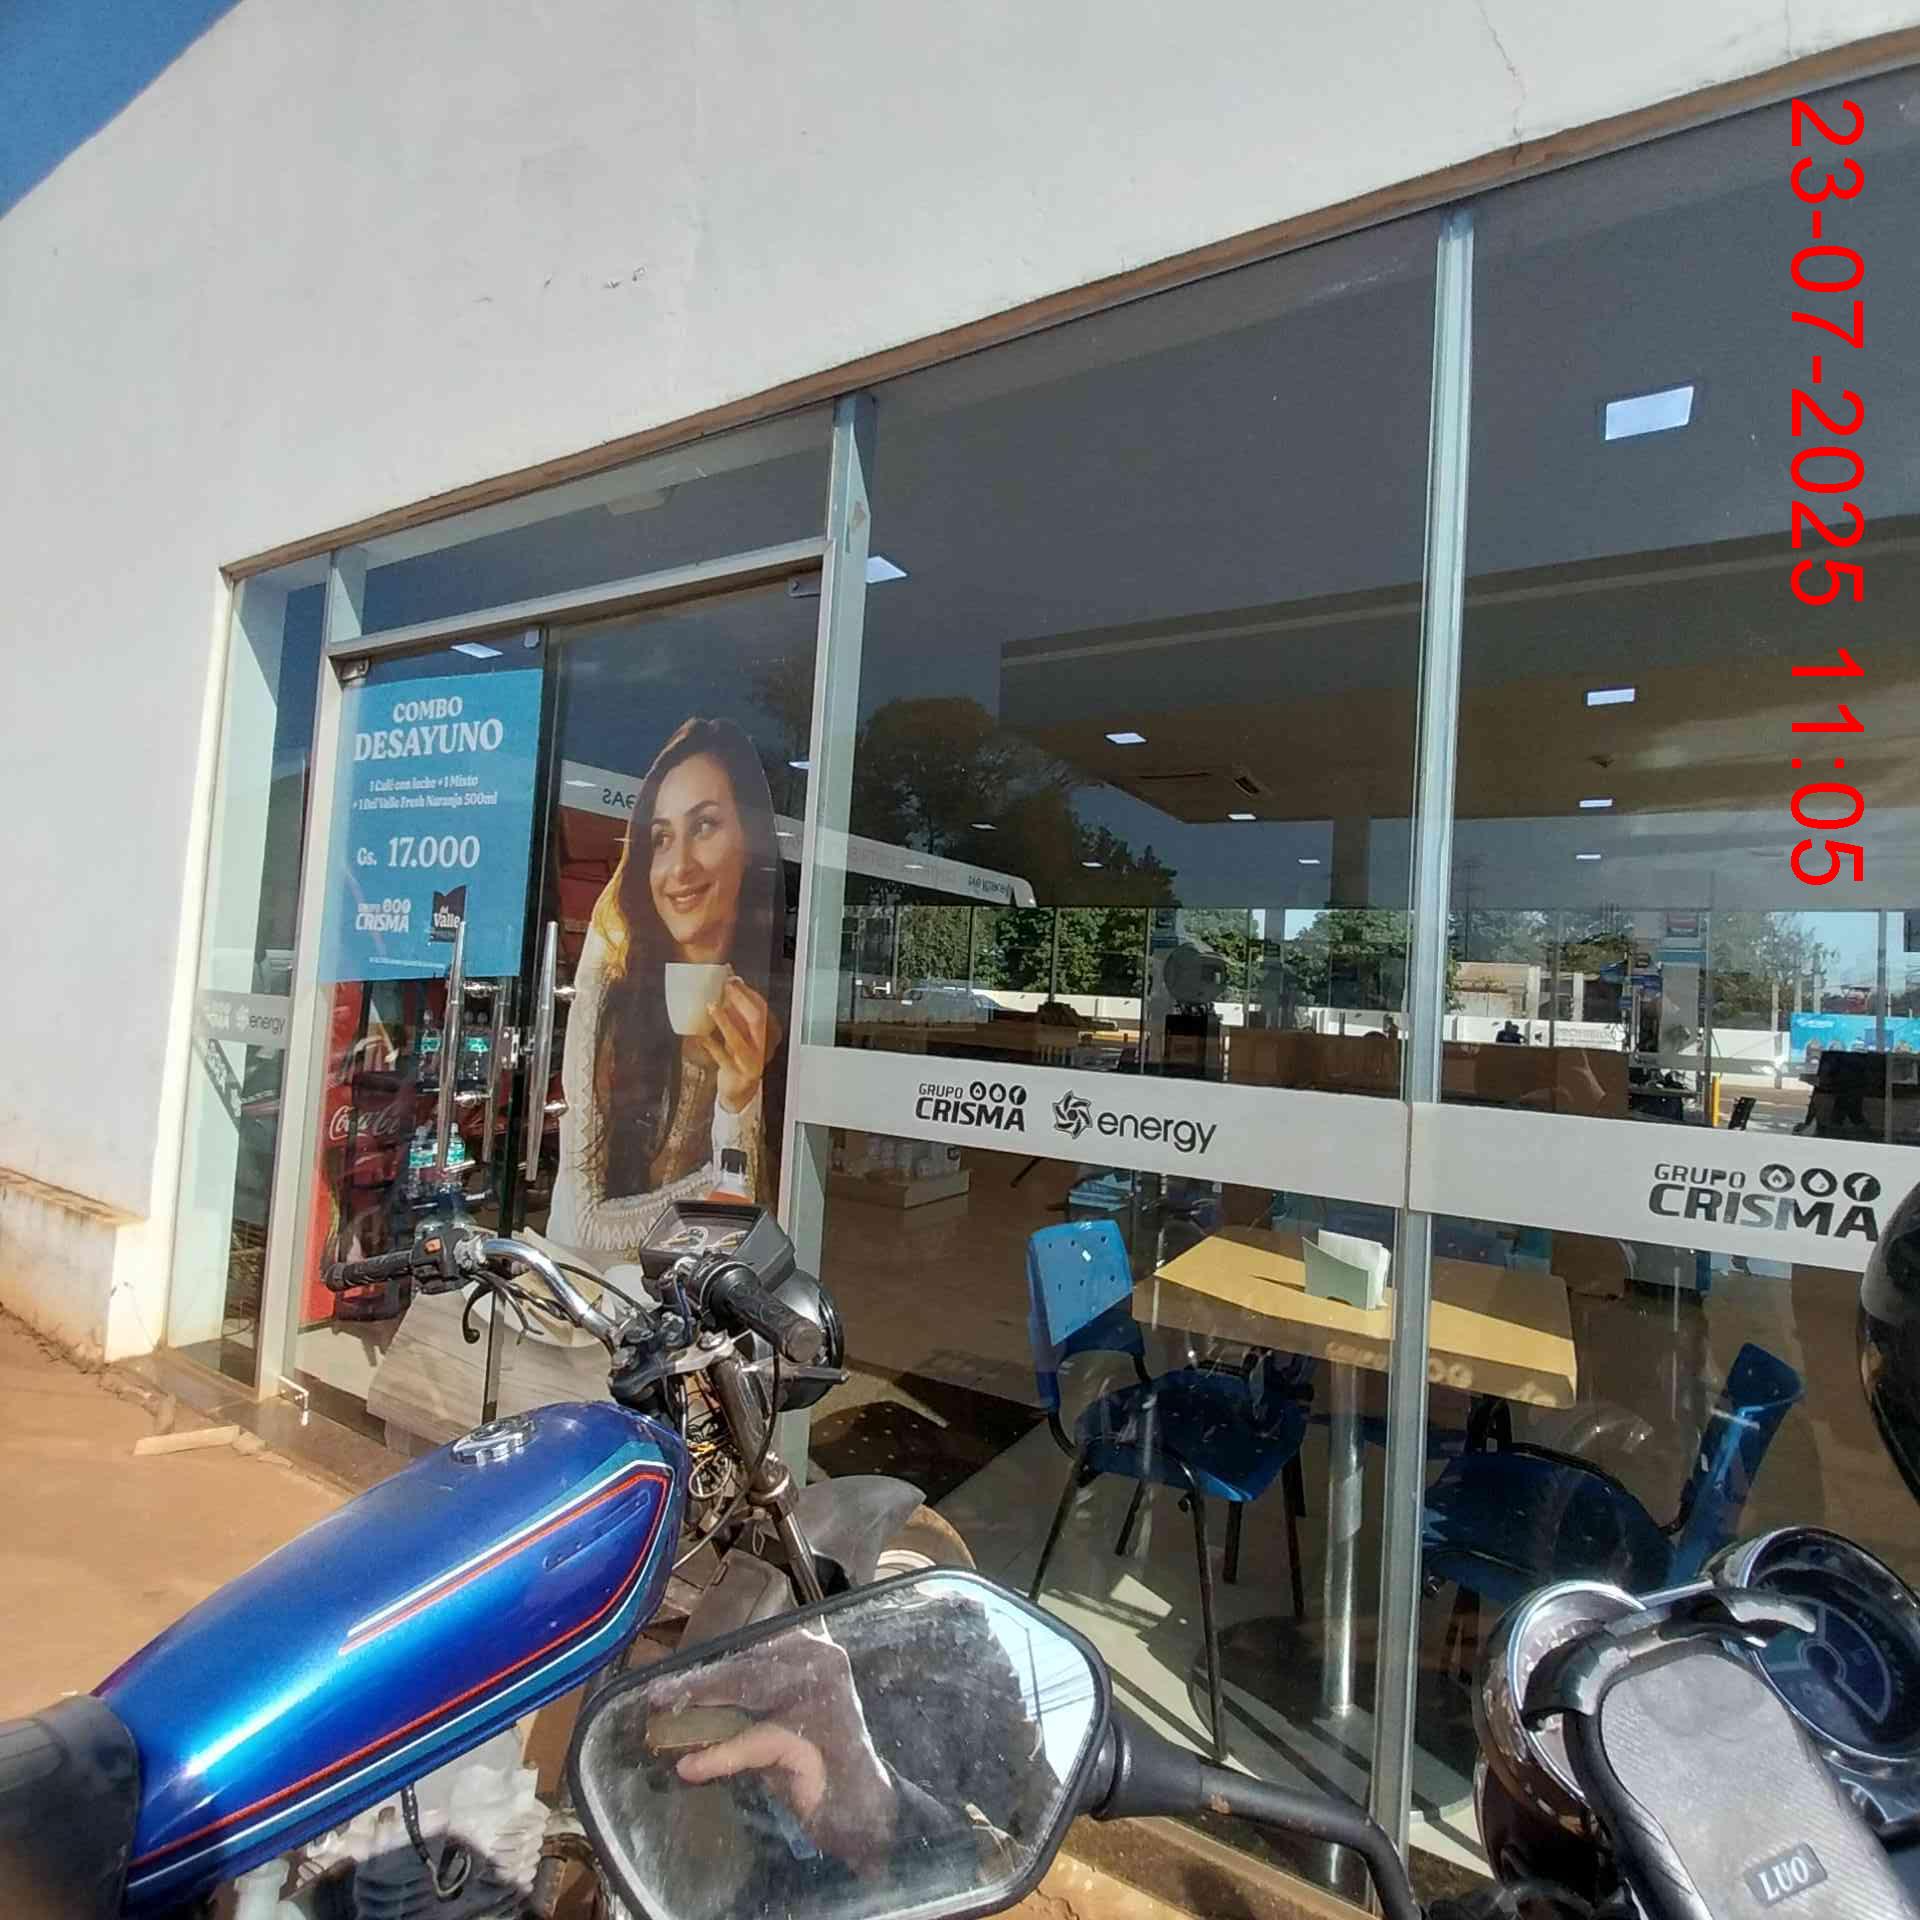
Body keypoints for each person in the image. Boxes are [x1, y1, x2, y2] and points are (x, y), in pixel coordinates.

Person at [549, 717, 788, 1259]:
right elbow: (582, 1227)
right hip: (595, 1288)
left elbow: (760, 1217)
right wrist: (723, 1175)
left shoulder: (768, 999)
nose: (678, 866)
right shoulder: (611, 987)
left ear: (750, 844)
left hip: (701, 1286)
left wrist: (738, 1099)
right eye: (661, 838)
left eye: (704, 826)